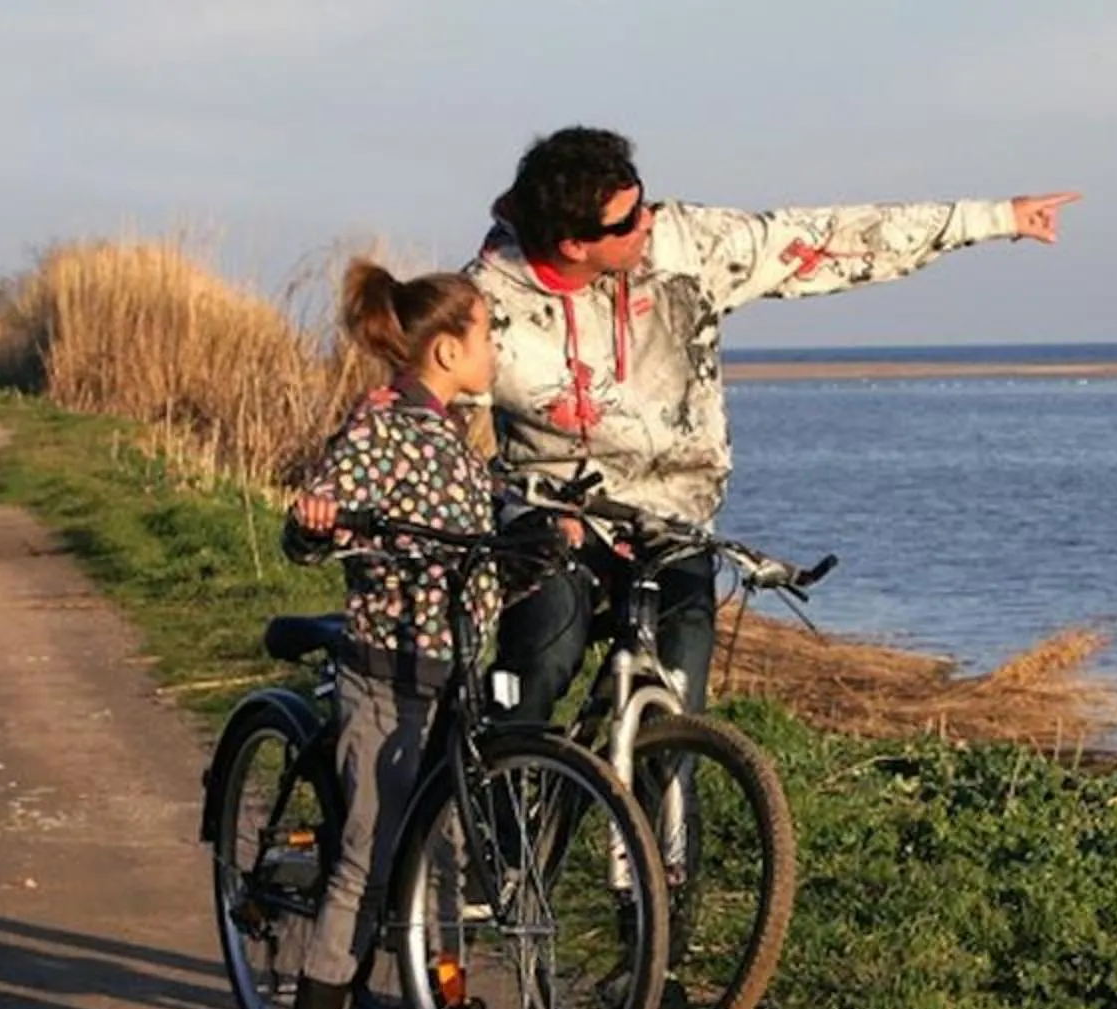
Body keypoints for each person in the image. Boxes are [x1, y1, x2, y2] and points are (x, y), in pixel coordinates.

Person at [459, 125, 1077, 725]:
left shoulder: (683, 244)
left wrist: (994, 218)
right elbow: (441, 430)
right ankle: (498, 805)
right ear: (572, 243)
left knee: (675, 708)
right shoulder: (486, 307)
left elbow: (822, 238)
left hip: (673, 521)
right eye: (625, 223)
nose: (646, 222)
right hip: (555, 518)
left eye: (643, 202)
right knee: (539, 665)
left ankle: (661, 828)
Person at [274, 260, 498, 1009]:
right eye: (488, 335)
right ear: (446, 349)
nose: (497, 349)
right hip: (387, 675)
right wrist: (315, 522)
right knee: (366, 862)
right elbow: (314, 519)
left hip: (450, 675)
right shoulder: (382, 427)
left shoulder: (453, 435)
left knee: (441, 859)